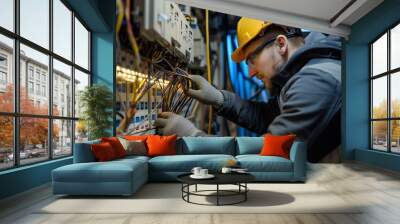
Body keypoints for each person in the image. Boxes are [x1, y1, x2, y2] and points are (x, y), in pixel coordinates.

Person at [154, 17, 342, 162]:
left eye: (252, 60)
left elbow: (266, 155)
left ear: (281, 44)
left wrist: (193, 137)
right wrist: (219, 98)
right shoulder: (302, 74)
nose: (251, 73)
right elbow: (269, 116)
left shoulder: (315, 82)